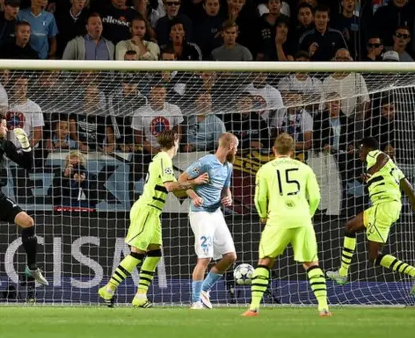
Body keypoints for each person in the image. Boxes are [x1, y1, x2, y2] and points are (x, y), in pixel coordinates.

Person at [97, 129, 209, 308]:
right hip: (147, 209)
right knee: (137, 253)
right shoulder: (164, 158)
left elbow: (175, 187)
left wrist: (193, 195)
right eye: (178, 140)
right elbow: (171, 186)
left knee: (155, 253)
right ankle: (108, 288)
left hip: (154, 211)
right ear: (175, 140)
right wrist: (195, 182)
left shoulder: (162, 159)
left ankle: (141, 295)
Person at [243, 133, 330, 317]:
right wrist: (308, 214)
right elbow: (315, 197)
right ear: (292, 151)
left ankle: (253, 308)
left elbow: (259, 198)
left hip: (278, 219)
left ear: (274, 149)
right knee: (312, 263)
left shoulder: (265, 169)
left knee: (265, 261)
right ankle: (323, 308)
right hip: (302, 219)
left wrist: (263, 215)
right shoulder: (305, 168)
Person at [326, 137, 415, 294]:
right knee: (349, 227)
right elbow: (409, 189)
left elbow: (384, 156)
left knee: (374, 256)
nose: (360, 153)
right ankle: (342, 273)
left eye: (361, 149)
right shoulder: (394, 169)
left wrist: (371, 172)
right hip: (383, 207)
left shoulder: (376, 155)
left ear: (367, 148)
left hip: (385, 207)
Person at [0, 112, 48, 287]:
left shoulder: (4, 145)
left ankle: (31, 267)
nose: (7, 128)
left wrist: (25, 146)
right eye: (5, 125)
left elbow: (28, 165)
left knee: (28, 222)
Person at [178, 133, 238, 309]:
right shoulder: (206, 162)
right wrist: (194, 195)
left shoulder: (228, 167)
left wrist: (229, 198)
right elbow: (182, 180)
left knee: (230, 256)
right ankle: (196, 302)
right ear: (230, 147)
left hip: (216, 213)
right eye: (236, 147)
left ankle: (204, 290)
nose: (237, 150)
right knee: (205, 258)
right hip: (200, 214)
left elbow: (226, 190)